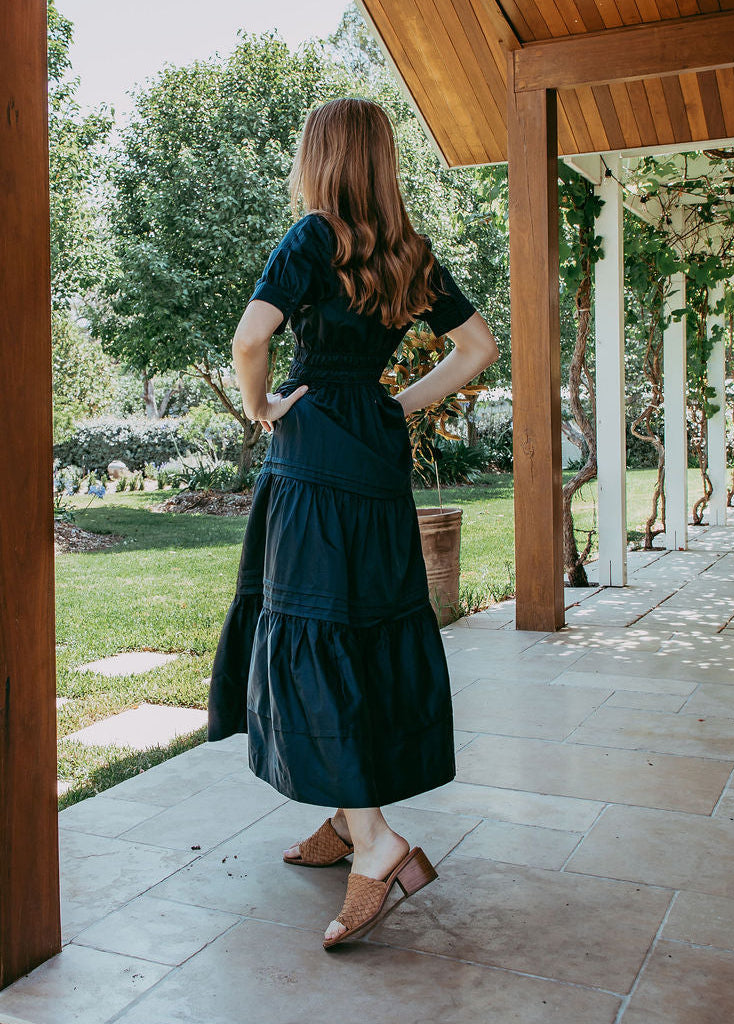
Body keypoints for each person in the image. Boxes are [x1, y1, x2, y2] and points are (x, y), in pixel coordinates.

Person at [207, 97, 499, 949]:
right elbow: (478, 347)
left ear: (321, 157)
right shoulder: (409, 250)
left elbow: (249, 336)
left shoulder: (312, 237)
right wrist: (395, 405)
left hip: (312, 459)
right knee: (358, 629)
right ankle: (345, 820)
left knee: (311, 631)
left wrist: (262, 405)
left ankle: (376, 844)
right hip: (372, 457)